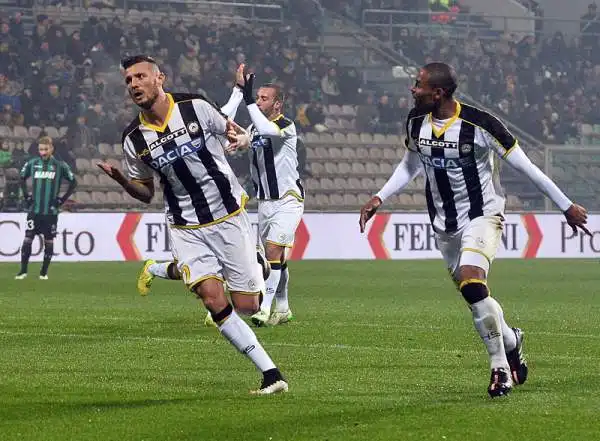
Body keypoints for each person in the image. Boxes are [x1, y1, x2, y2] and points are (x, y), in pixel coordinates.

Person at [359, 62, 591, 398]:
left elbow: (528, 169)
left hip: (483, 215)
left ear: (438, 93)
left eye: (418, 84)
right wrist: (379, 197)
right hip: (444, 224)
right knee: (475, 295)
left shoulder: (481, 125)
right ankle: (512, 339)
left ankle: (499, 368)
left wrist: (565, 205)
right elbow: (411, 163)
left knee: (471, 278)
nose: (413, 89)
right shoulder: (415, 122)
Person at [97, 54, 288, 395]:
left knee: (249, 306)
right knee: (212, 299)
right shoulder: (133, 139)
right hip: (185, 226)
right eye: (128, 81)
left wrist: (241, 140)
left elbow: (236, 133)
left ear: (160, 78)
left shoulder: (194, 107)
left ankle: (249, 261)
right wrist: (122, 181)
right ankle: (271, 374)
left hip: (228, 215)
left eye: (140, 77)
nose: (134, 84)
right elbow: (145, 192)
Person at [225, 66, 304, 327]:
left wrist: (246, 99)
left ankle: (264, 309)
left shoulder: (285, 125)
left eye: (263, 98)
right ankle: (283, 307)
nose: (259, 101)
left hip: (288, 199)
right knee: (276, 259)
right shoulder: (255, 127)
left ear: (277, 104)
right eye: (256, 97)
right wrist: (239, 141)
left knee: (272, 251)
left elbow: (267, 132)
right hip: (265, 202)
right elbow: (248, 137)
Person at [15, 136, 77, 280]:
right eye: (41, 149)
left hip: (50, 212)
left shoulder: (60, 165)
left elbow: (73, 182)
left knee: (49, 241)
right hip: (34, 211)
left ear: (51, 149)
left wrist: (62, 200)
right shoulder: (32, 163)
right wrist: (26, 197)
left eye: (45, 149)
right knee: (27, 239)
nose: (43, 152)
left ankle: (43, 272)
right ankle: (23, 271)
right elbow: (21, 178)